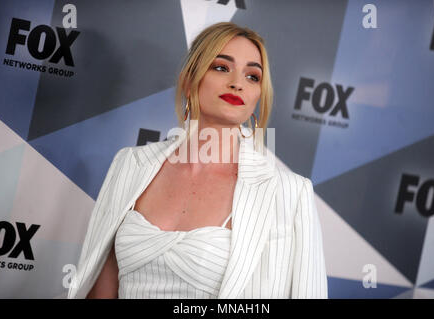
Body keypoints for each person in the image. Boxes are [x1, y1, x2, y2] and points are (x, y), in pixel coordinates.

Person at [67, 22, 327, 299]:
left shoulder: (288, 193)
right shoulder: (130, 165)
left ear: (258, 96)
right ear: (189, 80)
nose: (237, 83)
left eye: (252, 76)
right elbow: (102, 291)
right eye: (221, 67)